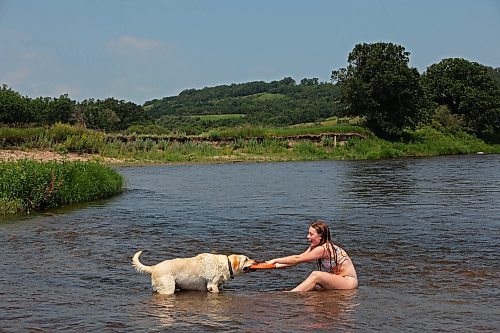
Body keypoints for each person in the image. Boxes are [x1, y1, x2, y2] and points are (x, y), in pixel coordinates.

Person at [266, 220, 358, 291]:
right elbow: (295, 261)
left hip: (348, 282)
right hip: (338, 279)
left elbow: (297, 259)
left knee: (316, 275)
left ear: (320, 236)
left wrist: (275, 259)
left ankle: (292, 294)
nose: (307, 237)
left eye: (311, 234)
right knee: (313, 286)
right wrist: (268, 266)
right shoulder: (314, 247)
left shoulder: (323, 249)